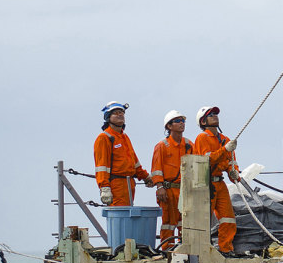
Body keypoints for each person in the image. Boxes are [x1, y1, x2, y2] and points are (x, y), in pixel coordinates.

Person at [193, 106, 239, 255]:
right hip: (206, 183)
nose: (215, 116)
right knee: (204, 218)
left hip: (220, 182)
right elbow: (207, 159)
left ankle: (226, 248)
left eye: (215, 114)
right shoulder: (202, 138)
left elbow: (232, 162)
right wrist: (225, 150)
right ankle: (203, 249)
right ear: (203, 121)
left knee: (228, 217)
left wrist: (234, 173)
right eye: (211, 115)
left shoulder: (225, 140)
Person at [94, 102, 153, 207]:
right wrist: (105, 188)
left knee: (127, 216)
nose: (120, 115)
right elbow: (101, 166)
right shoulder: (104, 138)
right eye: (116, 113)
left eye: (121, 112)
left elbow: (134, 163)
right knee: (120, 216)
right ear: (108, 117)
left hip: (129, 184)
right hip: (116, 185)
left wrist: (146, 177)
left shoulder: (124, 137)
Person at [151, 110, 193, 250]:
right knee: (168, 222)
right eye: (177, 121)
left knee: (186, 222)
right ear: (169, 126)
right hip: (168, 190)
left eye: (183, 121)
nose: (181, 123)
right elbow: (156, 169)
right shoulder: (162, 146)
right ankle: (167, 250)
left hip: (185, 190)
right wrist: (159, 187)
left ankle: (184, 249)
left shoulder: (188, 144)